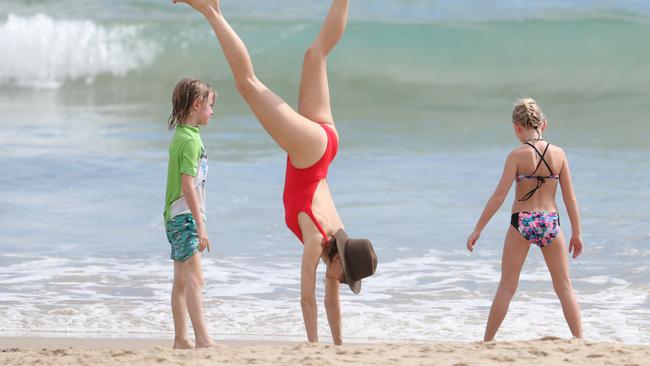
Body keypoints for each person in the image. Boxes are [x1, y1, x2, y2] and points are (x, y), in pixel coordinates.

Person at [173, 0, 376, 345]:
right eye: (347, 277)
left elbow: (328, 298)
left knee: (316, 54)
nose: (342, 282)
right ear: (340, 261)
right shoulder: (317, 241)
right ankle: (210, 9)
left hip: (325, 145)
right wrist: (314, 347)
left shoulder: (337, 234)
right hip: (310, 152)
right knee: (247, 84)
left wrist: (339, 347)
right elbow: (307, 300)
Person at [466, 98, 583, 341]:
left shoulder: (517, 156)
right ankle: (579, 339)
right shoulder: (559, 154)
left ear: (516, 127)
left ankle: (487, 341)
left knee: (507, 286)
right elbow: (570, 198)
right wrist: (577, 234)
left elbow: (498, 196)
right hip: (551, 221)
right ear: (544, 124)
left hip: (523, 222)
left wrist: (478, 229)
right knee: (564, 287)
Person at [163, 77, 218, 349]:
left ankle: (181, 339)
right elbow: (188, 186)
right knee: (195, 278)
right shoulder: (190, 141)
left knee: (182, 281)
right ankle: (203, 339)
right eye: (210, 105)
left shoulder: (183, 137)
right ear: (197, 104)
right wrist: (201, 225)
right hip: (185, 216)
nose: (212, 111)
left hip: (175, 216)